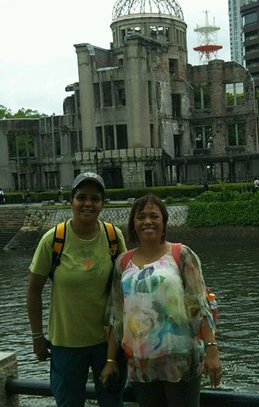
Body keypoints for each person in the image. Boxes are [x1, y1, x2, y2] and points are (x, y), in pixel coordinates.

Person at [102, 194, 221, 407]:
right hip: (141, 363)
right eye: (141, 217)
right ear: (133, 224)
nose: (147, 221)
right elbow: (116, 314)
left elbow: (200, 305)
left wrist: (212, 350)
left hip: (181, 359)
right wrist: (111, 360)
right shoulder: (123, 262)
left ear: (164, 222)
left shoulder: (181, 254)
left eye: (154, 216)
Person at [27, 172, 127, 407]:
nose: (88, 203)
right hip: (66, 345)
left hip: (107, 343)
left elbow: (123, 289)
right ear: (71, 201)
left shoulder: (113, 237)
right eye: (81, 197)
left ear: (103, 203)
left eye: (95, 198)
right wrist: (37, 336)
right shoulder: (54, 240)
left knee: (112, 402)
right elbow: (33, 291)